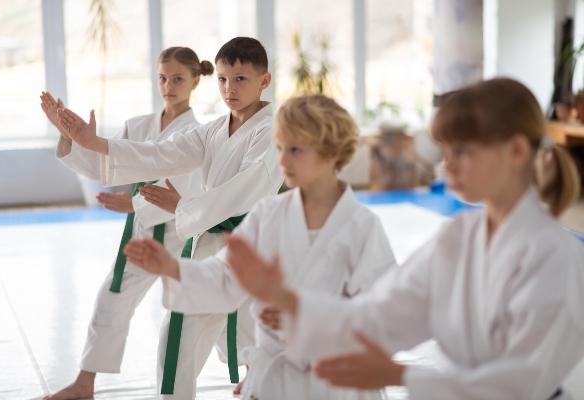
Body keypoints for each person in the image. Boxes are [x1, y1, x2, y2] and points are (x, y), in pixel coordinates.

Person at [226, 78, 584, 400]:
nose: (446, 167)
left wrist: (401, 373)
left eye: (461, 152)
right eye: (445, 152)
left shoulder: (552, 253)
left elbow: (523, 382)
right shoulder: (459, 236)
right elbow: (383, 313)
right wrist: (285, 299)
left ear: (517, 152)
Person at [123, 94, 398, 400]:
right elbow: (225, 276)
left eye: (295, 149)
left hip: (337, 381)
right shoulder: (268, 215)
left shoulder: (361, 227)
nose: (283, 160)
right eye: (280, 148)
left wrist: (311, 317)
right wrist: (172, 267)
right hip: (275, 383)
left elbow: (384, 316)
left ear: (331, 152)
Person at [56, 37, 283, 399]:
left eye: (240, 79)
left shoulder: (271, 131)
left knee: (241, 337)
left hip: (249, 250)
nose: (229, 88)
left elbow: (244, 190)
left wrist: (183, 206)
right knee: (182, 336)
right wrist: (94, 142)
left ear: (264, 81)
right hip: (211, 248)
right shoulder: (212, 129)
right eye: (223, 79)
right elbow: (161, 155)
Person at [39, 46, 211, 400]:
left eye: (178, 78)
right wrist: (68, 135)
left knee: (192, 316)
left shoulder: (198, 131)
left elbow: (185, 186)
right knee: (110, 300)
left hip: (181, 239)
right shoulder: (140, 124)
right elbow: (103, 162)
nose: (168, 85)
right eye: (162, 78)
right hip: (144, 234)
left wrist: (133, 203)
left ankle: (252, 369)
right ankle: (83, 384)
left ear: (195, 81)